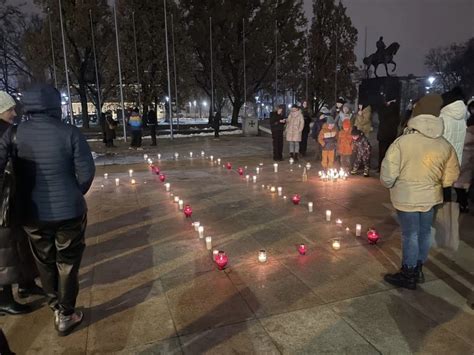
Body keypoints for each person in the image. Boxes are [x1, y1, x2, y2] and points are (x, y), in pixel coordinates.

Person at [0, 84, 95, 336]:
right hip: (69, 211)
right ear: (55, 105)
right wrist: (74, 192)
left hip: (32, 213)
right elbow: (86, 172)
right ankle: (65, 313)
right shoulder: (70, 132)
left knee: (45, 261)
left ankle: (56, 306)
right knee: (68, 263)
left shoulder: (14, 134)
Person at [381, 94, 460, 290]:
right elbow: (451, 173)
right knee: (424, 233)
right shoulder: (444, 144)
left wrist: (390, 184)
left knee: (410, 235)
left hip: (406, 198)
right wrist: (439, 183)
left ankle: (408, 274)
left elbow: (388, 172)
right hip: (431, 197)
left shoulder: (402, 143)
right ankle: (418, 268)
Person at [0, 91, 43, 316]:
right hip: (3, 202)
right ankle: (4, 298)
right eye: (9, 109)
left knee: (20, 244)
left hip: (13, 199)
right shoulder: (4, 133)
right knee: (5, 249)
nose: (14, 113)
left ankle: (27, 283)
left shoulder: (9, 130)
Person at [453, 103, 474, 213]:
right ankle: (464, 203)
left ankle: (462, 203)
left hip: (466, 161)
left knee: (460, 184)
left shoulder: (467, 133)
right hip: (468, 163)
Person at [377, 98, 400, 170]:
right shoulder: (395, 111)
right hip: (390, 135)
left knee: (383, 152)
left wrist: (387, 105)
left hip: (384, 135)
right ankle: (385, 167)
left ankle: (381, 167)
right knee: (388, 152)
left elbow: (380, 114)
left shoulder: (386, 111)